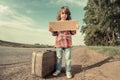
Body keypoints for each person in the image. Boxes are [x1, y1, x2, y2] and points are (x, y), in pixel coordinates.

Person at [51, 6, 77, 79]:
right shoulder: (57, 23)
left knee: (68, 58)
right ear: (60, 15)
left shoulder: (70, 23)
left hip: (68, 43)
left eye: (66, 13)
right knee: (58, 58)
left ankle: (68, 71)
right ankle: (58, 70)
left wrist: (75, 27)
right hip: (59, 43)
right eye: (62, 13)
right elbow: (54, 34)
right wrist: (51, 30)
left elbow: (73, 32)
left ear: (68, 15)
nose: (64, 15)